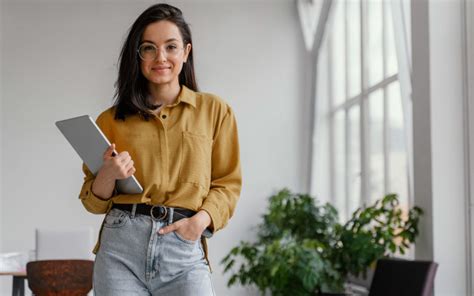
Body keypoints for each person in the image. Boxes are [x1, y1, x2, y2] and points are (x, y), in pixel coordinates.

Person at [78, 3, 242, 295]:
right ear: (138, 56)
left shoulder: (215, 111)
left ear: (186, 52)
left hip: (183, 248)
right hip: (120, 250)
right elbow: (93, 202)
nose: (161, 57)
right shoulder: (110, 120)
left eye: (171, 47)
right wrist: (108, 174)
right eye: (149, 48)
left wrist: (200, 221)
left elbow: (227, 184)